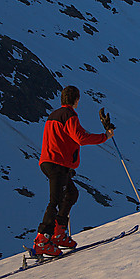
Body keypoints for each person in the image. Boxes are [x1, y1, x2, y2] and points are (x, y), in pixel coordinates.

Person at [33, 85, 114, 256]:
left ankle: (58, 233)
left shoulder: (53, 115)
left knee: (71, 193)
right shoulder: (69, 115)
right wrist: (104, 136)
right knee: (55, 200)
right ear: (76, 100)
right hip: (57, 164)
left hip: (50, 162)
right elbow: (80, 137)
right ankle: (43, 240)